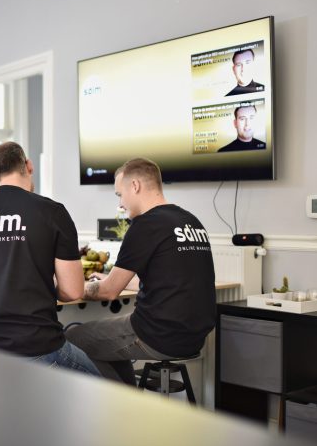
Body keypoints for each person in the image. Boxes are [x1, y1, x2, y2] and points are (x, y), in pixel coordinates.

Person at [0, 142, 100, 376]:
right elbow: (73, 292)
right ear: (28, 165)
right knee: (104, 391)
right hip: (35, 347)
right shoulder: (51, 212)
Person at [65, 158, 216, 384]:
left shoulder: (146, 224)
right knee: (106, 343)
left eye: (120, 194)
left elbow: (108, 292)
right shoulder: (190, 221)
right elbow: (166, 282)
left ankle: (117, 402)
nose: (120, 204)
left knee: (72, 338)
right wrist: (113, 278)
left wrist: (75, 288)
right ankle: (127, 396)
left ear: (135, 186)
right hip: (193, 337)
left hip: (157, 335)